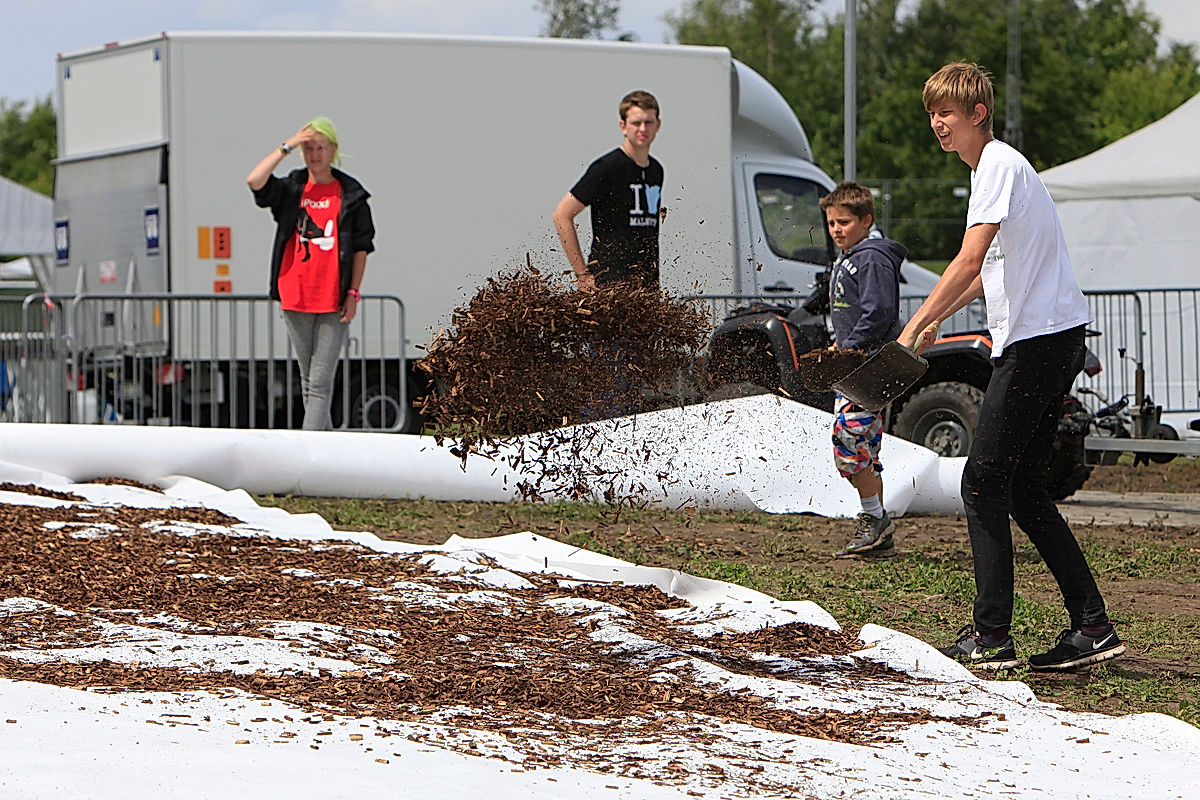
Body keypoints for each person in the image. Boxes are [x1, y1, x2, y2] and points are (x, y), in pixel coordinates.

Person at [898, 63, 1124, 671]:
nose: (937, 124)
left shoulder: (996, 164)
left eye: (947, 112)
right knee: (1021, 485)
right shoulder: (994, 173)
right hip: (1049, 338)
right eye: (932, 114)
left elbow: (970, 259)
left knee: (982, 479)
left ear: (978, 115)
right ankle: (1093, 625)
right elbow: (993, 269)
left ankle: (992, 636)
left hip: (1038, 343)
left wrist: (916, 326)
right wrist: (945, 311)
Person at [246, 117, 375, 431]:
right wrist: (286, 146)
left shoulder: (351, 194)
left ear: (333, 150)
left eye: (320, 147)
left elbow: (361, 247)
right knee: (309, 382)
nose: (315, 154)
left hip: (333, 297)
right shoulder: (293, 187)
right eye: (309, 148)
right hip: (295, 293)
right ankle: (326, 452)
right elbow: (255, 181)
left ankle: (308, 453)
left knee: (319, 382)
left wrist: (353, 292)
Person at [818, 182, 906, 557]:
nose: (836, 229)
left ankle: (873, 518)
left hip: (869, 365)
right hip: (858, 364)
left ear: (866, 220)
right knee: (866, 445)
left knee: (850, 438)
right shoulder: (849, 256)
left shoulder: (870, 258)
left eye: (845, 222)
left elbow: (879, 310)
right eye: (831, 223)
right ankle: (879, 530)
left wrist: (850, 344)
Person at [553, 90, 664, 291]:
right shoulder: (606, 168)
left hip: (646, 286)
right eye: (636, 123)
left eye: (648, 122)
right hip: (608, 283)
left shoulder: (656, 170)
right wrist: (581, 273)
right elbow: (562, 215)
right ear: (623, 126)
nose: (642, 129)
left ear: (658, 125)